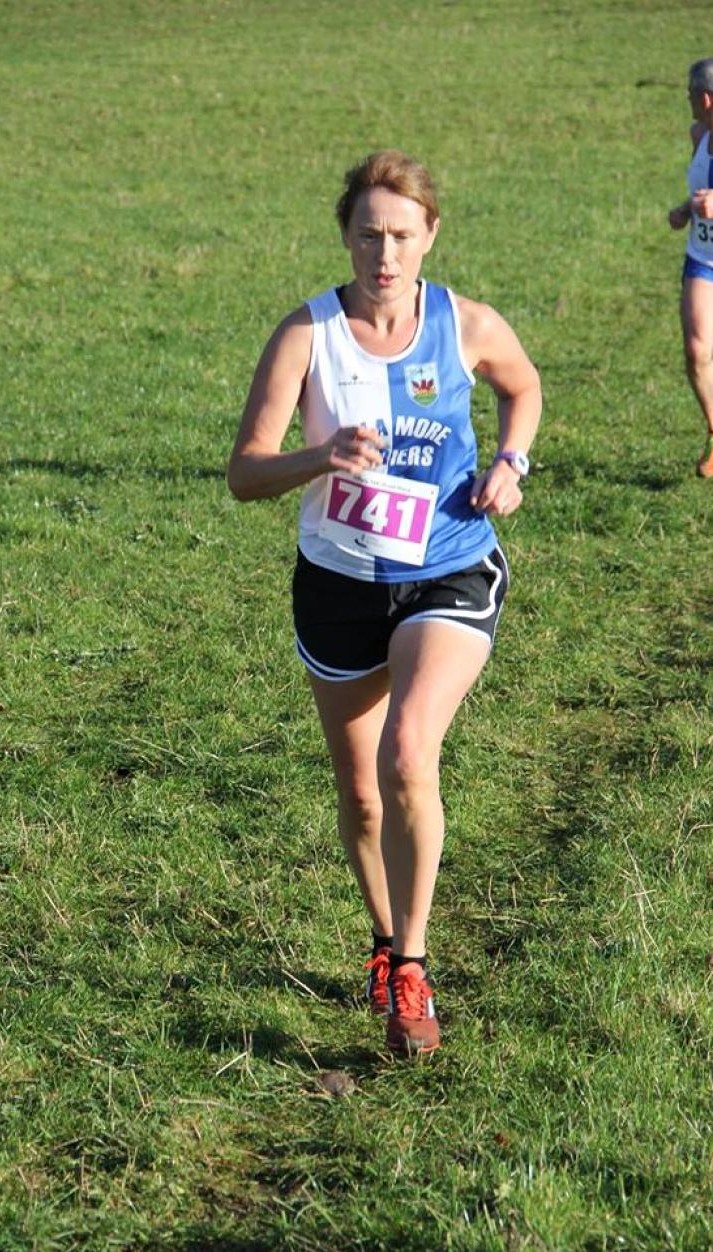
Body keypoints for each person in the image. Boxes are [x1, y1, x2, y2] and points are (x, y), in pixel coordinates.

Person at [227, 150, 541, 1055]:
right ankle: (381, 939)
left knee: (408, 753)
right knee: (362, 796)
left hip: (448, 565)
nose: (385, 253)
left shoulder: (466, 323)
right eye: (368, 234)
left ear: (429, 235)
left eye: (401, 235)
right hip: (338, 583)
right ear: (346, 238)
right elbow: (244, 473)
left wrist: (510, 463)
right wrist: (317, 458)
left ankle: (411, 964)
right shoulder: (306, 335)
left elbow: (522, 387)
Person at [668, 58, 713, 478]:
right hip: (703, 259)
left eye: (689, 93)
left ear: (705, 98)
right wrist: (686, 209)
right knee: (697, 351)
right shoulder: (698, 134)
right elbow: (702, 186)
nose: (687, 99)